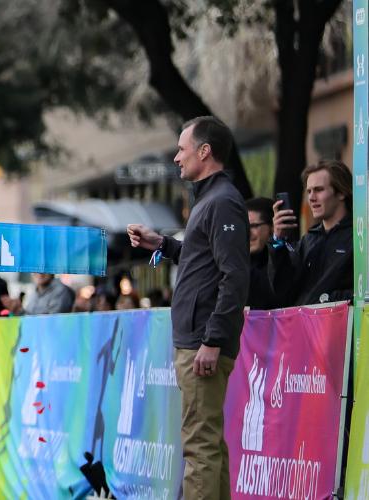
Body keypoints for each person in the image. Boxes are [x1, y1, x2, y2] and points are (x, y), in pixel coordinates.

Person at [126, 115, 247, 499]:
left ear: (204, 151)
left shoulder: (222, 201)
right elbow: (203, 262)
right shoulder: (209, 200)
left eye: (182, 149)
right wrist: (161, 243)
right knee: (208, 444)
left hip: (201, 342)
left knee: (200, 447)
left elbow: (235, 277)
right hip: (197, 339)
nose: (176, 157)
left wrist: (212, 339)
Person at [268, 159, 353, 306]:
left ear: (341, 193)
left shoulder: (359, 237)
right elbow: (283, 290)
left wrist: (329, 299)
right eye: (309, 191)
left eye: (319, 190)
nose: (312, 198)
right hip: (305, 326)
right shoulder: (308, 239)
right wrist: (278, 241)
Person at [243, 197, 281, 310]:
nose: (248, 233)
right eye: (244, 226)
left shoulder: (286, 260)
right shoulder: (234, 264)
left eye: (253, 226)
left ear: (273, 227)